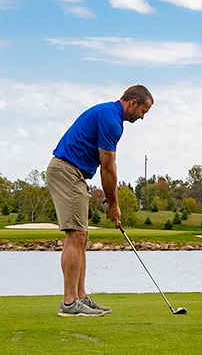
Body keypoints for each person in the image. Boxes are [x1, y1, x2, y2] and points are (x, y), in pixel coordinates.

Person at [49, 85, 153, 317]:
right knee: (75, 235)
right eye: (143, 111)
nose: (143, 117)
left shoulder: (109, 114)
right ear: (133, 103)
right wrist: (114, 205)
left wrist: (110, 200)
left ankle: (81, 297)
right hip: (67, 171)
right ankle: (69, 304)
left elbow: (106, 167)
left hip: (74, 173)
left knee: (81, 236)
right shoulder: (111, 121)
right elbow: (108, 166)